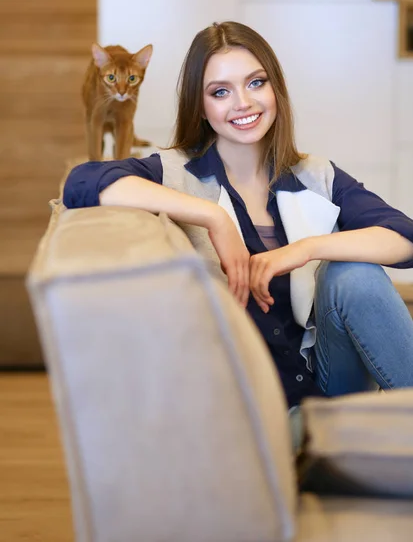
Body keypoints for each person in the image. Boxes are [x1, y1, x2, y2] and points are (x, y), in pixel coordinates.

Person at [64, 21, 413, 413]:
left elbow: (403, 238)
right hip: (250, 409)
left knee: (353, 274)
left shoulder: (316, 174)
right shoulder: (174, 174)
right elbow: (83, 182)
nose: (243, 103)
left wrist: (303, 249)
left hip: (329, 391)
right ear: (200, 105)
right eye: (220, 92)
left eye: (255, 83)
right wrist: (214, 216)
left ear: (274, 88)